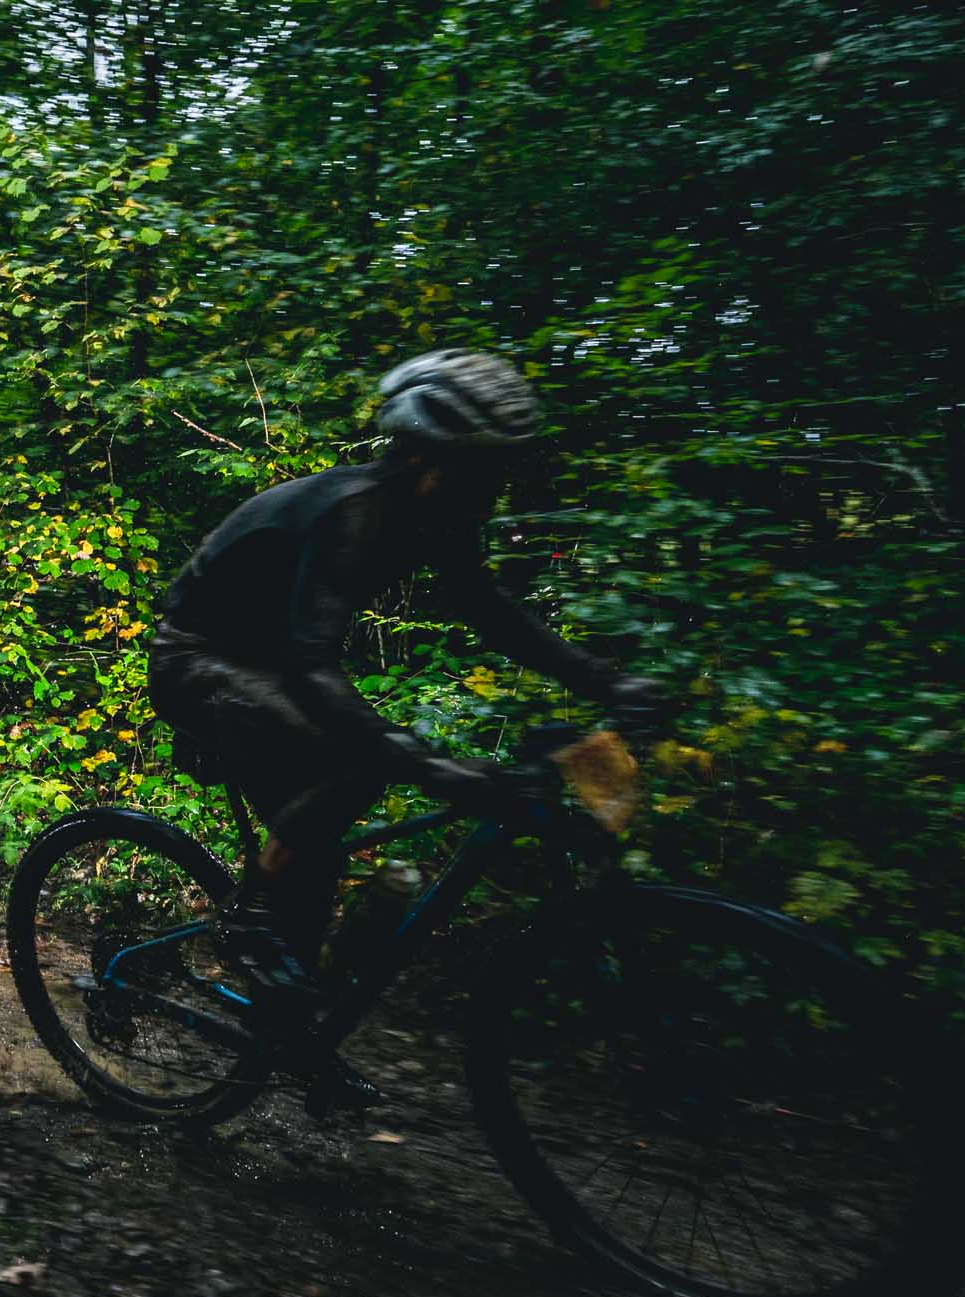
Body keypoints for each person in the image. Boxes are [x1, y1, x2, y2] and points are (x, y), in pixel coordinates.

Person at [148, 350, 664, 1075]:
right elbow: (313, 665)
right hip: (199, 659)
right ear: (426, 453)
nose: (497, 484)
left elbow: (495, 616)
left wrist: (607, 682)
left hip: (270, 667)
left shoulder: (436, 514)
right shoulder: (354, 514)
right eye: (485, 465)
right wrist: (425, 760)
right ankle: (249, 922)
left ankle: (283, 1026)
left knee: (318, 851)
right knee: (359, 760)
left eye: (504, 467)